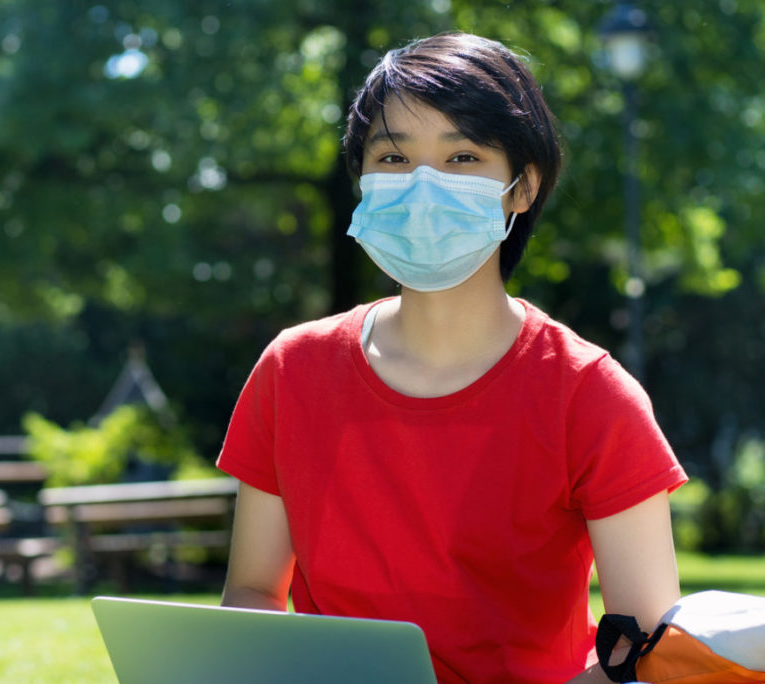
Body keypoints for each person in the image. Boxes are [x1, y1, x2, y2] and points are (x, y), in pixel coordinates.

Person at [216, 32, 687, 684]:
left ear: (523, 187)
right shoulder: (290, 370)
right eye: (393, 156)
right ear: (361, 181)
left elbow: (650, 650)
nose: (422, 187)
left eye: (463, 155)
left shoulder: (590, 395)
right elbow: (252, 595)